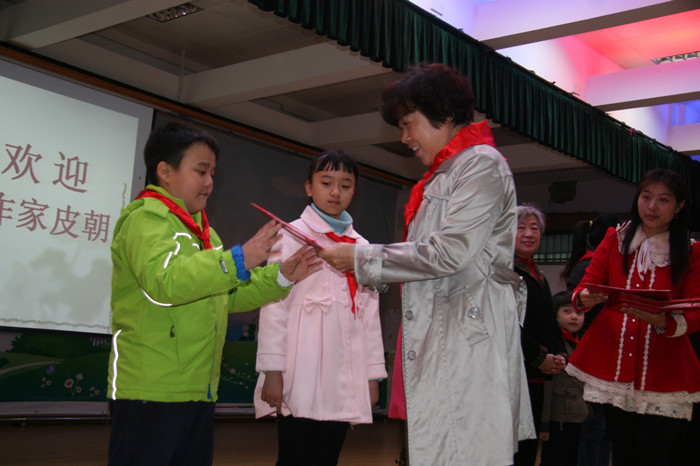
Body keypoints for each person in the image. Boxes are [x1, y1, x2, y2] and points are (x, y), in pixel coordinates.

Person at [319, 62, 534, 465]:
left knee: (465, 450)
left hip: (467, 336)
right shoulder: (443, 175)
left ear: (444, 114)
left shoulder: (481, 164)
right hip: (446, 330)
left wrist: (363, 258)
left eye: (408, 123)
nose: (404, 138)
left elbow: (449, 252)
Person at [107, 122, 320, 466]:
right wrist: (238, 259)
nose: (209, 182)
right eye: (201, 171)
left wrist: (280, 276)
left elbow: (226, 296)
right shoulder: (145, 219)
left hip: (197, 390)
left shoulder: (204, 232)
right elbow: (165, 281)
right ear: (165, 171)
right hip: (150, 390)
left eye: (212, 174)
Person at [253, 150, 386, 465]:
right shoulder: (289, 236)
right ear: (309, 187)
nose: (335, 192)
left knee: (327, 458)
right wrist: (273, 370)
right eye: (326, 183)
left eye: (345, 185)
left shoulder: (363, 248)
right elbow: (274, 306)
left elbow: (369, 317)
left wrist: (371, 377)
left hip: (343, 376)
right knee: (293, 457)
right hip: (299, 371)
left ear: (354, 192)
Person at [566, 168, 700, 466]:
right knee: (622, 450)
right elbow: (583, 287)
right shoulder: (615, 240)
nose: (652, 206)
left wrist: (664, 322)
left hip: (665, 369)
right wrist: (585, 297)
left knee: (656, 454)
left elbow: (696, 310)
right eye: (646, 196)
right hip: (612, 363)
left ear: (679, 206)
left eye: (663, 199)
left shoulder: (691, 252)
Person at [560, 212, 621, 466]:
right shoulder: (590, 267)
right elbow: (574, 315)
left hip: (604, 355)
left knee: (604, 431)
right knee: (595, 431)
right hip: (593, 356)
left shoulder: (589, 264)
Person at [512, 204, 567, 466]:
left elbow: (549, 321)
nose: (528, 234)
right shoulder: (506, 272)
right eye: (520, 228)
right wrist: (538, 356)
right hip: (514, 372)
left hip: (536, 373)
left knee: (529, 446)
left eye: (534, 228)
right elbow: (508, 324)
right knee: (512, 446)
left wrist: (558, 354)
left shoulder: (537, 272)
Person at [539, 291, 590, 466]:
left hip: (576, 417)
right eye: (567, 311)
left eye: (579, 312)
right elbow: (547, 387)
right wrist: (544, 423)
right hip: (557, 419)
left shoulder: (579, 344)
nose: (574, 317)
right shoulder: (553, 345)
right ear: (555, 315)